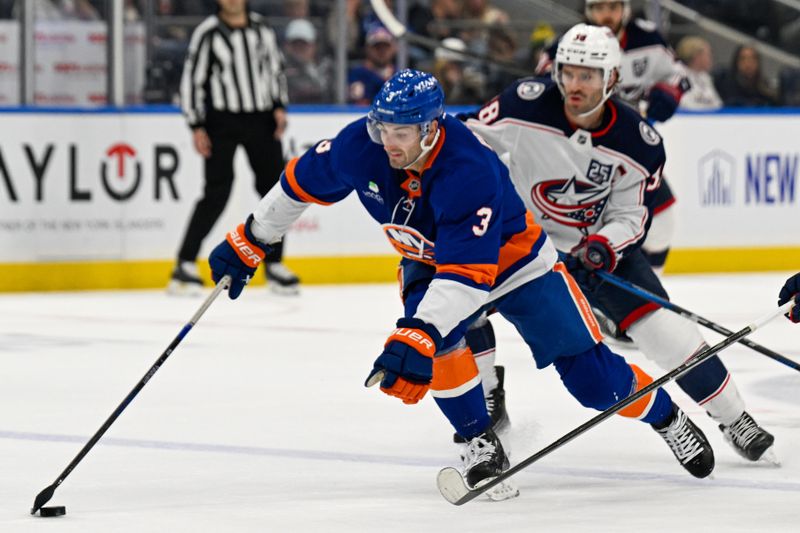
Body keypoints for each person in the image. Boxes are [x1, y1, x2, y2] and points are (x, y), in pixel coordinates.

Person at [207, 69, 716, 500]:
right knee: (439, 344)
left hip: (515, 264)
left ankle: (666, 416)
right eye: (383, 127)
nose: (388, 141)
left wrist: (416, 332)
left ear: (431, 129)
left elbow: (467, 279)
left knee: (592, 381)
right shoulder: (360, 146)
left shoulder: (467, 168)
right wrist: (252, 238)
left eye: (402, 132)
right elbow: (298, 183)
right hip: (428, 262)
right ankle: (478, 440)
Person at [462, 23, 776, 463]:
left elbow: (632, 215)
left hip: (597, 255)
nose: (575, 84)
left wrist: (603, 247)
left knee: (672, 335)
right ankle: (488, 394)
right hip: (524, 245)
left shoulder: (638, 141)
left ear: (611, 79)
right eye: (568, 72)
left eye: (587, 76)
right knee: (460, 296)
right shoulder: (524, 103)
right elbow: (469, 141)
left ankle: (734, 418)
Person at [537, 0, 689, 273]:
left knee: (662, 224)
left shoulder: (647, 39)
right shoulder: (572, 42)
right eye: (598, 7)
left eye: (612, 6)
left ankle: (646, 291)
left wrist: (670, 92)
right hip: (577, 154)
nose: (605, 14)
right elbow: (545, 85)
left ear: (625, 8)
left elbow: (679, 75)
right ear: (588, 10)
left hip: (628, 151)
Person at [171, 0, 300, 296]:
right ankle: (185, 262)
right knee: (217, 191)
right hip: (222, 120)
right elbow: (192, 80)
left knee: (276, 191)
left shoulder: (261, 28)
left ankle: (275, 264)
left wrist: (279, 106)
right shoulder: (208, 33)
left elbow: (275, 69)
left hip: (262, 118)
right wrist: (196, 125)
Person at [282, 18, 334, 103]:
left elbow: (334, 91)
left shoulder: (327, 66)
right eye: (295, 44)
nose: (299, 49)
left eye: (304, 44)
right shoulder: (283, 68)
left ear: (314, 45)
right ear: (287, 46)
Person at [714, 44, 780, 107]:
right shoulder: (725, 83)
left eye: (752, 59)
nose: (748, 63)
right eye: (743, 58)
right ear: (736, 62)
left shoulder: (764, 88)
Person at [347, 25, 397, 104]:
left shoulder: (399, 75)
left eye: (386, 47)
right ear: (367, 48)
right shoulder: (357, 74)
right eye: (377, 47)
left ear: (393, 49)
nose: (382, 51)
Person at [675, 36, 723, 111]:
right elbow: (684, 104)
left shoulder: (705, 77)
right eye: (708, 54)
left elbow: (717, 104)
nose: (711, 58)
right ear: (696, 56)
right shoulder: (678, 74)